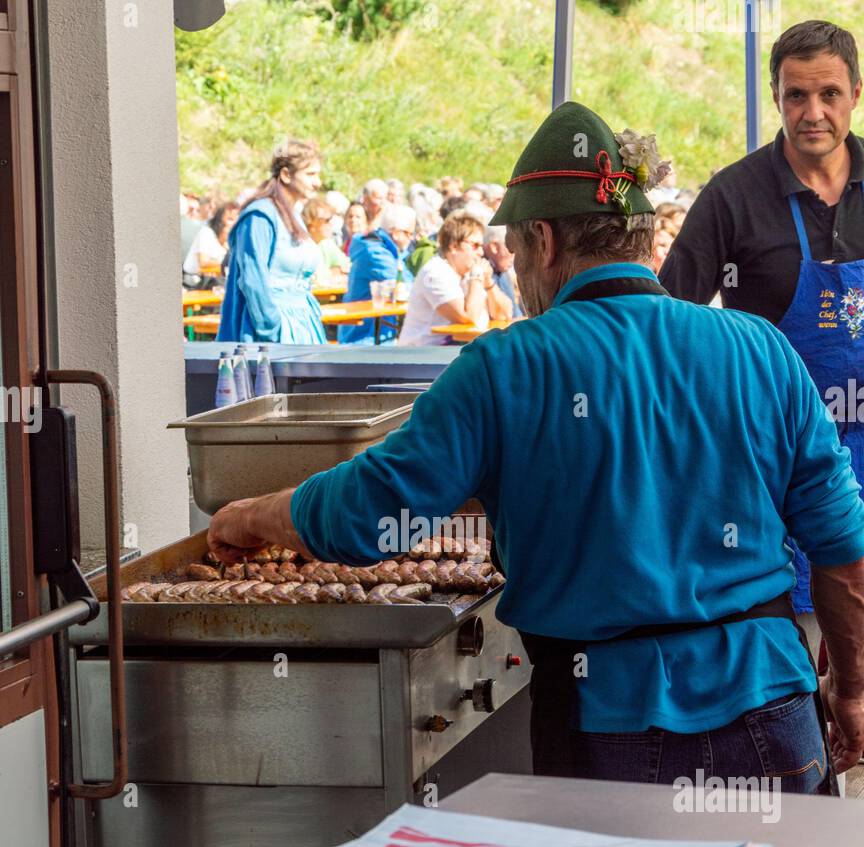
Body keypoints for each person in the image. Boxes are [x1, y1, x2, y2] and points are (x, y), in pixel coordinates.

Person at [208, 101, 864, 792]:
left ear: (545, 243)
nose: (516, 271)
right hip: (776, 713)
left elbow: (365, 516)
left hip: (610, 728)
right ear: (643, 240)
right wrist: (851, 691)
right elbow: (845, 559)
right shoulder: (762, 349)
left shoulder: (504, 367)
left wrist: (248, 516)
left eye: (516, 250)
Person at [659, 19, 864, 654]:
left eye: (828, 94)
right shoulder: (733, 196)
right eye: (795, 95)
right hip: (781, 470)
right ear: (775, 96)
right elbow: (668, 321)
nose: (812, 113)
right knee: (803, 659)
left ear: (856, 93)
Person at [217, 138, 327, 345]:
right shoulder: (260, 216)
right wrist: (272, 329)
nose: (317, 182)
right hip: (271, 333)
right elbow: (253, 280)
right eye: (310, 174)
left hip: (303, 325)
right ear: (286, 174)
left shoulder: (293, 215)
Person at [397, 211, 500, 346]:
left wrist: (489, 284)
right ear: (454, 246)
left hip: (450, 353)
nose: (481, 252)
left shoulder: (469, 272)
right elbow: (468, 317)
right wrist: (476, 278)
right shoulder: (435, 272)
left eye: (481, 246)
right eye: (475, 245)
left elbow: (503, 315)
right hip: (421, 358)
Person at [338, 204, 416, 344]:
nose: (412, 238)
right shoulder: (375, 252)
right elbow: (403, 284)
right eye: (409, 233)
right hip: (363, 335)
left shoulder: (384, 248)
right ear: (396, 232)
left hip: (376, 330)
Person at [183, 201, 239, 283]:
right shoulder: (207, 233)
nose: (234, 224)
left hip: (217, 280)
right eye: (230, 219)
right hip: (195, 281)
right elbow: (203, 262)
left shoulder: (233, 237)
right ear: (219, 218)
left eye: (236, 219)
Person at [302, 197, 350, 278]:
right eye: (327, 220)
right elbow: (311, 278)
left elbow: (347, 266)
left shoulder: (326, 243)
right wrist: (334, 272)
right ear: (311, 224)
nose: (331, 224)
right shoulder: (300, 247)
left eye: (331, 219)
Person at [484, 223, 524, 317]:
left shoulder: (502, 270)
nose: (514, 257)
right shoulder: (482, 270)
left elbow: (515, 314)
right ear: (494, 247)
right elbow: (505, 315)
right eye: (511, 249)